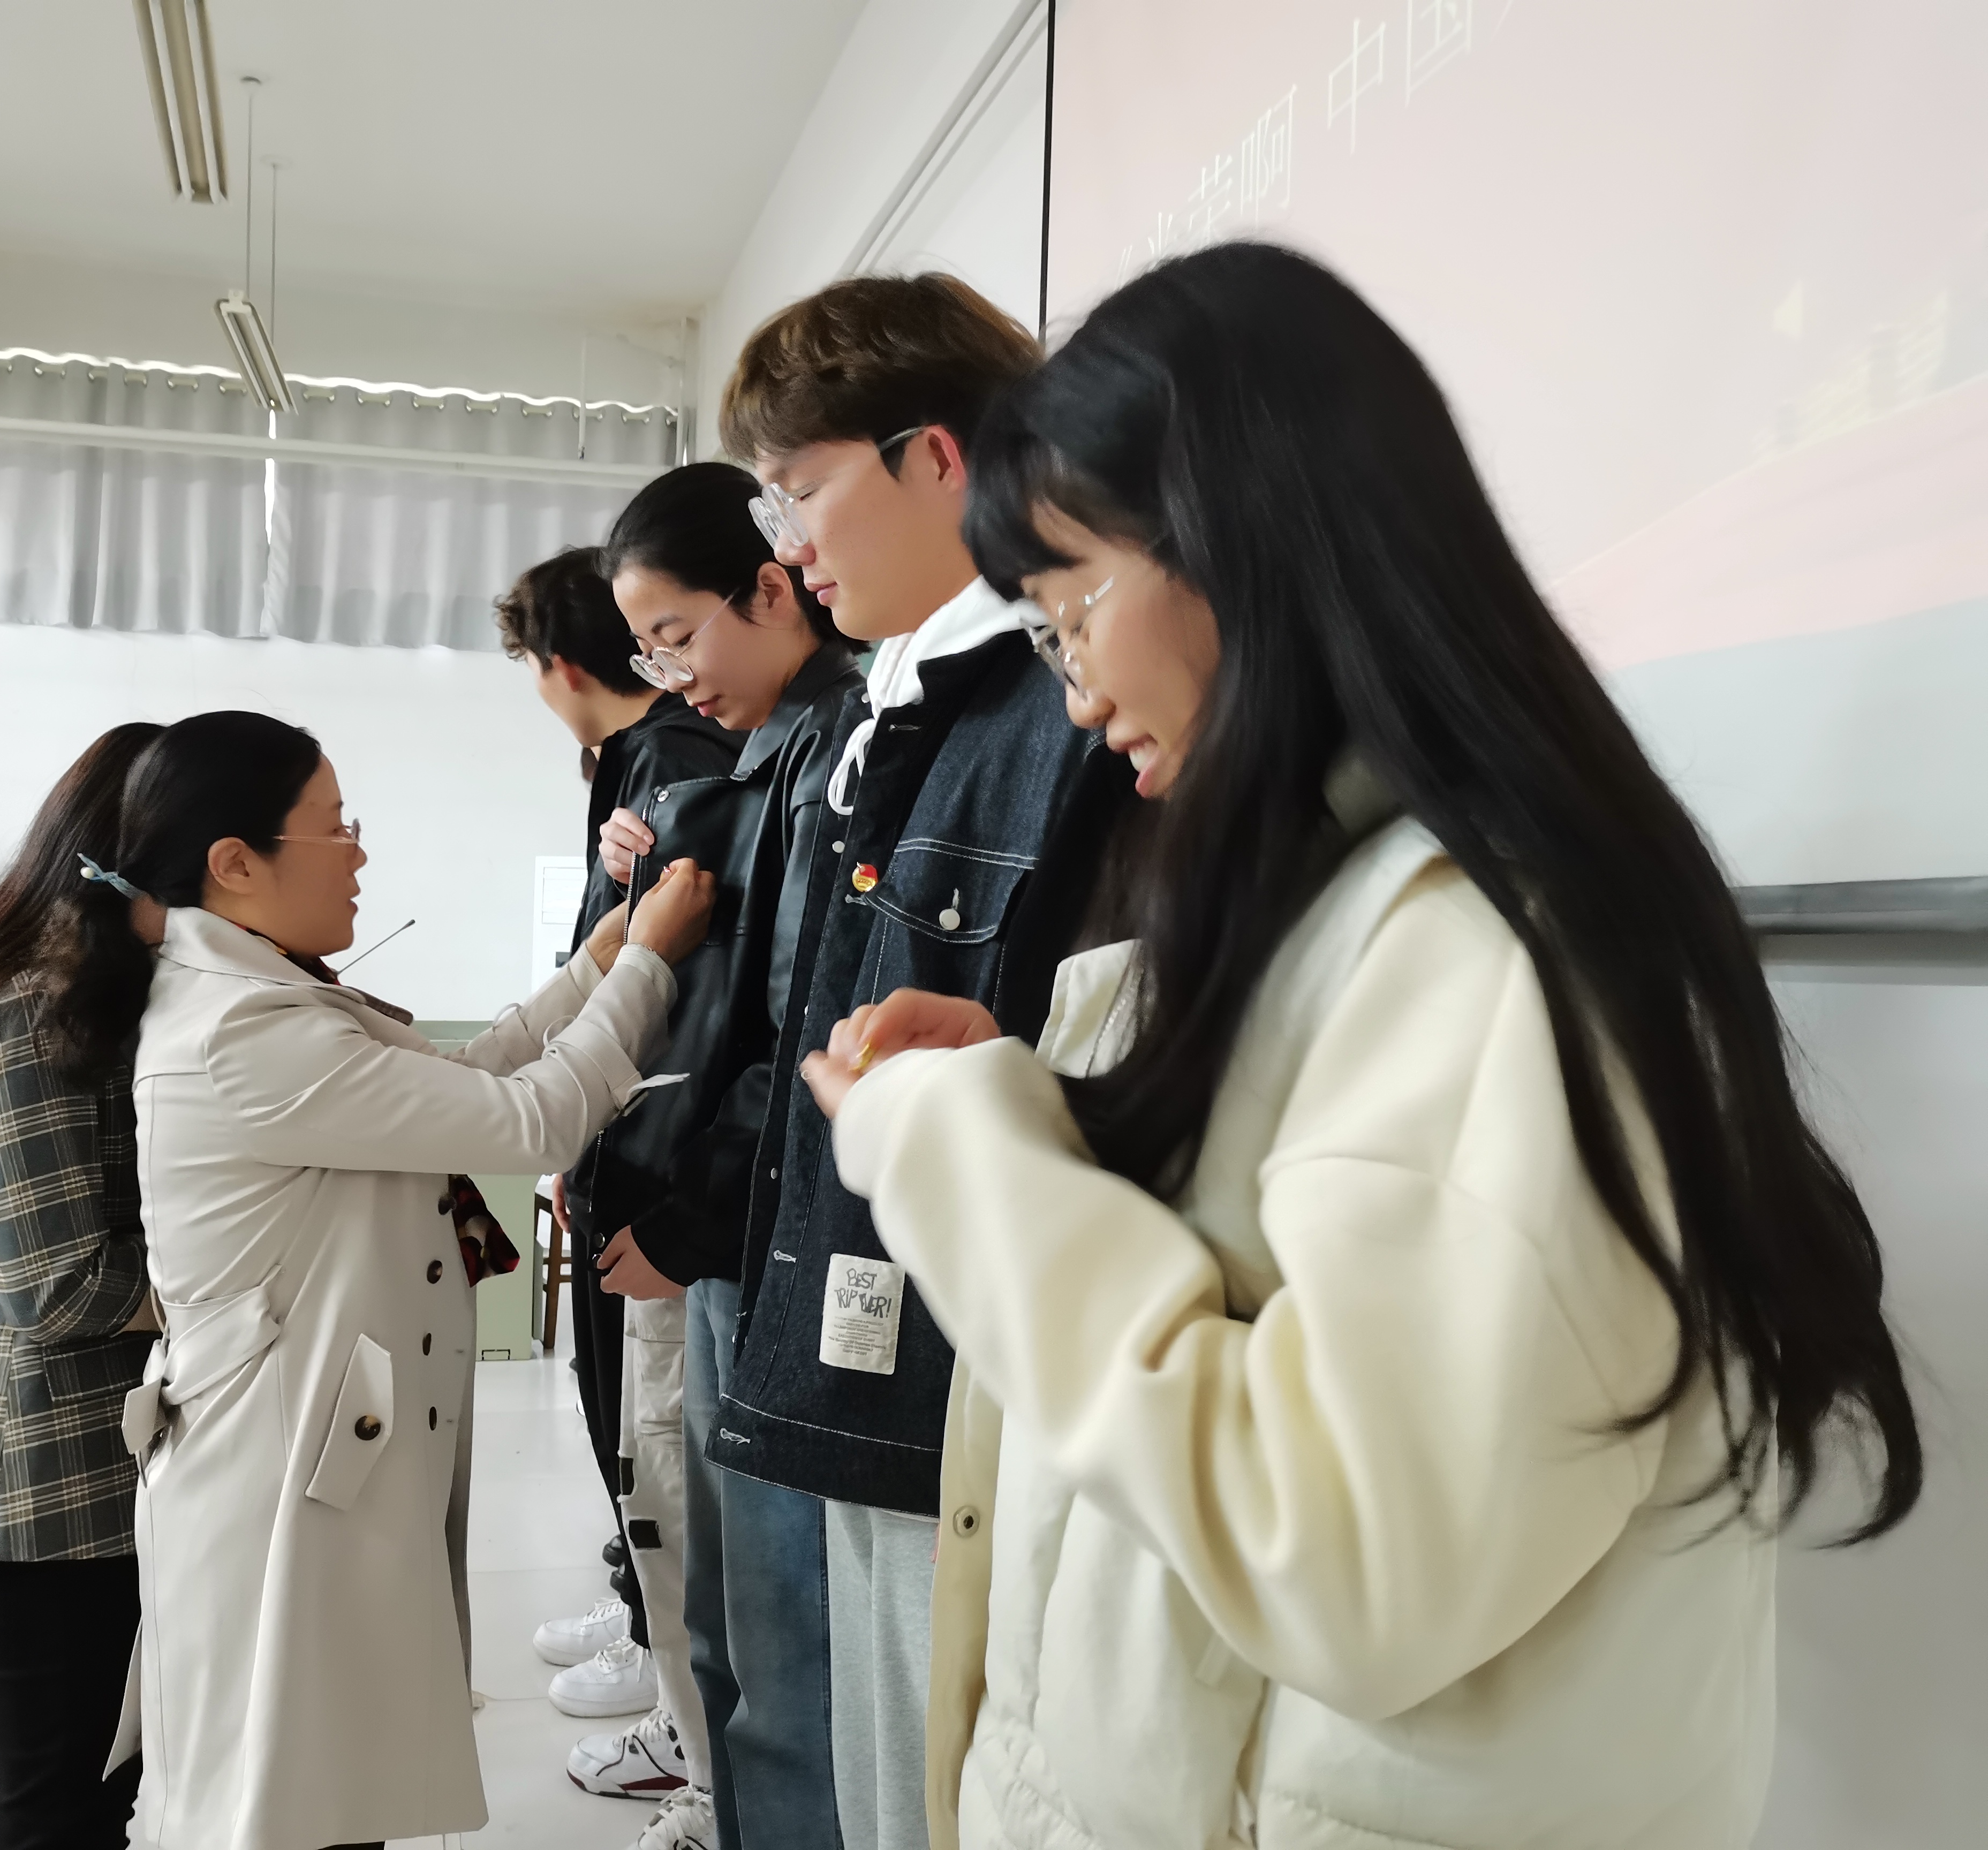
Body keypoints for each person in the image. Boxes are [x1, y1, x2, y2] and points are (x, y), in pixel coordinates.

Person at [798, 242, 1926, 1850]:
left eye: (1073, 608)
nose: (1078, 691)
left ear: (1241, 544)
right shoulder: (1350, 905)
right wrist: (1052, 1105)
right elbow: (1290, 1242)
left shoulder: (1493, 959)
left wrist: (951, 1151)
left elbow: (1348, 1557)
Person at [99, 710, 714, 1850]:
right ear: (236, 863)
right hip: (277, 1478)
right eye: (335, 826)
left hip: (306, 1454)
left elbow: (457, 1079)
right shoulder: (241, 1028)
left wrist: (595, 963)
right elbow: (527, 1121)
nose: (359, 851)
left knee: (323, 1789)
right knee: (286, 1806)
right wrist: (644, 966)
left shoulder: (261, 995)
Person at [713, 274, 1131, 1850]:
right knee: (869, 1766)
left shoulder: (1071, 711)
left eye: (804, 487)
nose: (788, 543)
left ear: (938, 458)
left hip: (963, 1368)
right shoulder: (884, 710)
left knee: (932, 1788)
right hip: (862, 1319)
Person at [578, 460, 865, 1850]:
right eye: (649, 650)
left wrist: (690, 1224)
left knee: (779, 1637)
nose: (672, 675)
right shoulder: (765, 752)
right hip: (732, 1221)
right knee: (734, 1617)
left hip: (764, 1232)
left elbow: (793, 1034)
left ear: (770, 587)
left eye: (678, 635)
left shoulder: (844, 740)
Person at [0, 724, 166, 1850]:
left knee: (98, 1799)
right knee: (59, 1808)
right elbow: (59, 1289)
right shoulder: (30, 1003)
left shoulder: (100, 987)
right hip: (37, 1490)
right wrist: (252, 1267)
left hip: (97, 1472)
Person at [497, 547, 740, 1725]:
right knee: (625, 1421)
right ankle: (637, 1599)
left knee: (651, 1428)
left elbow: (682, 995)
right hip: (617, 1138)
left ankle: (665, 1669)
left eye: (677, 635)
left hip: (658, 1153)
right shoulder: (642, 767)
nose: (675, 666)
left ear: (555, 664)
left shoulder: (678, 757)